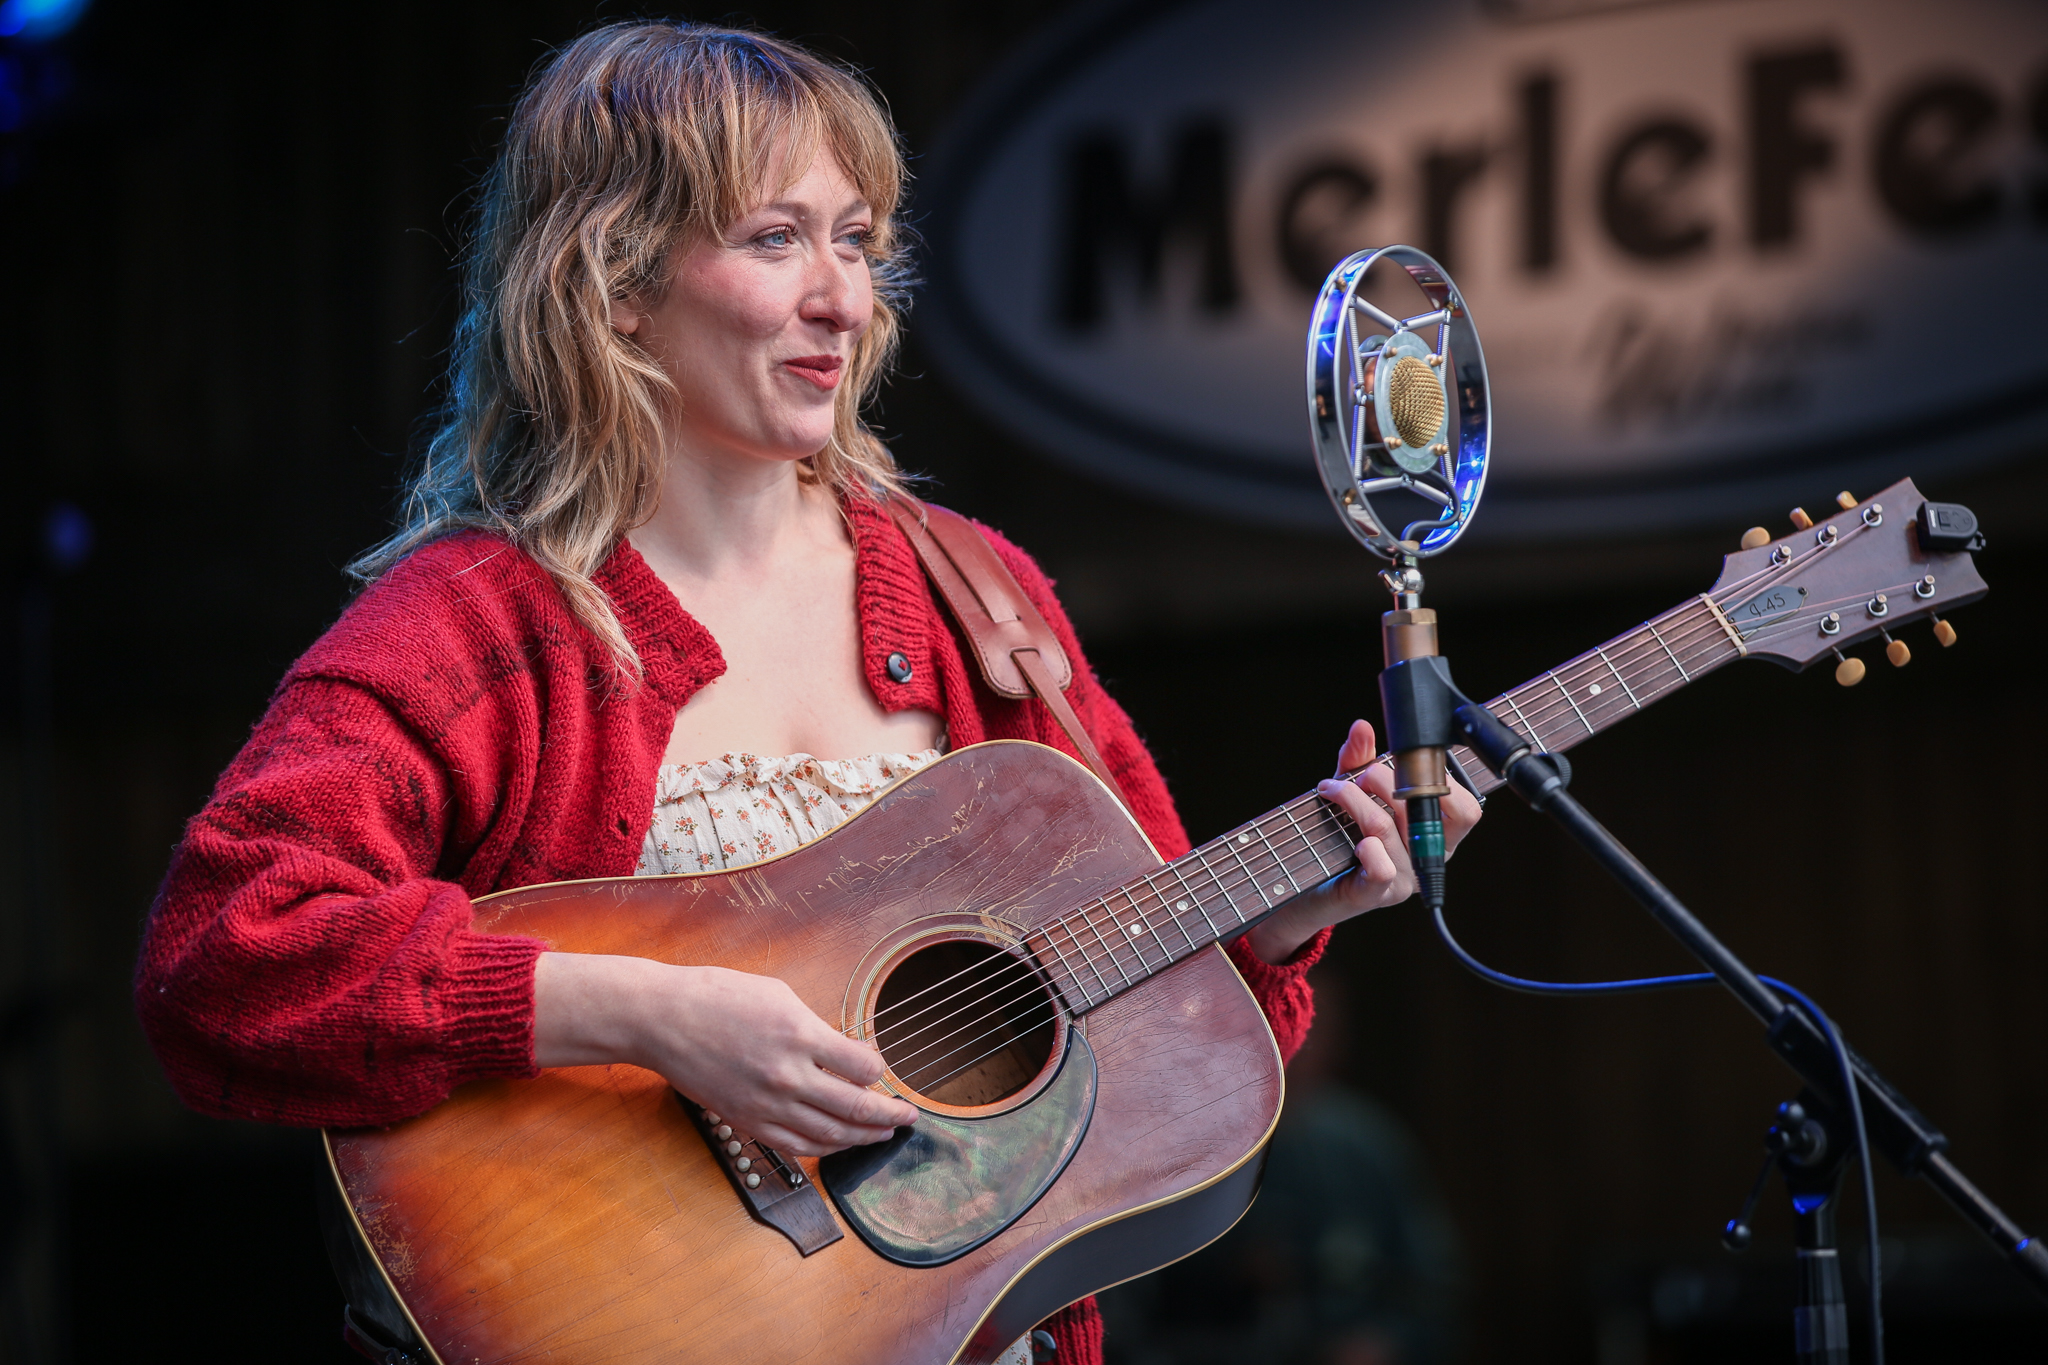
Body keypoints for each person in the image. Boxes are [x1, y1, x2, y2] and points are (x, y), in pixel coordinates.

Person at [132, 21, 1480, 1365]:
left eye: (856, 237)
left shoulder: (980, 600)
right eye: (776, 238)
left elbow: (1148, 1039)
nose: (843, 296)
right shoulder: (476, 627)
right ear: (613, 283)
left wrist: (1296, 904)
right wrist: (649, 1013)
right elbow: (220, 958)